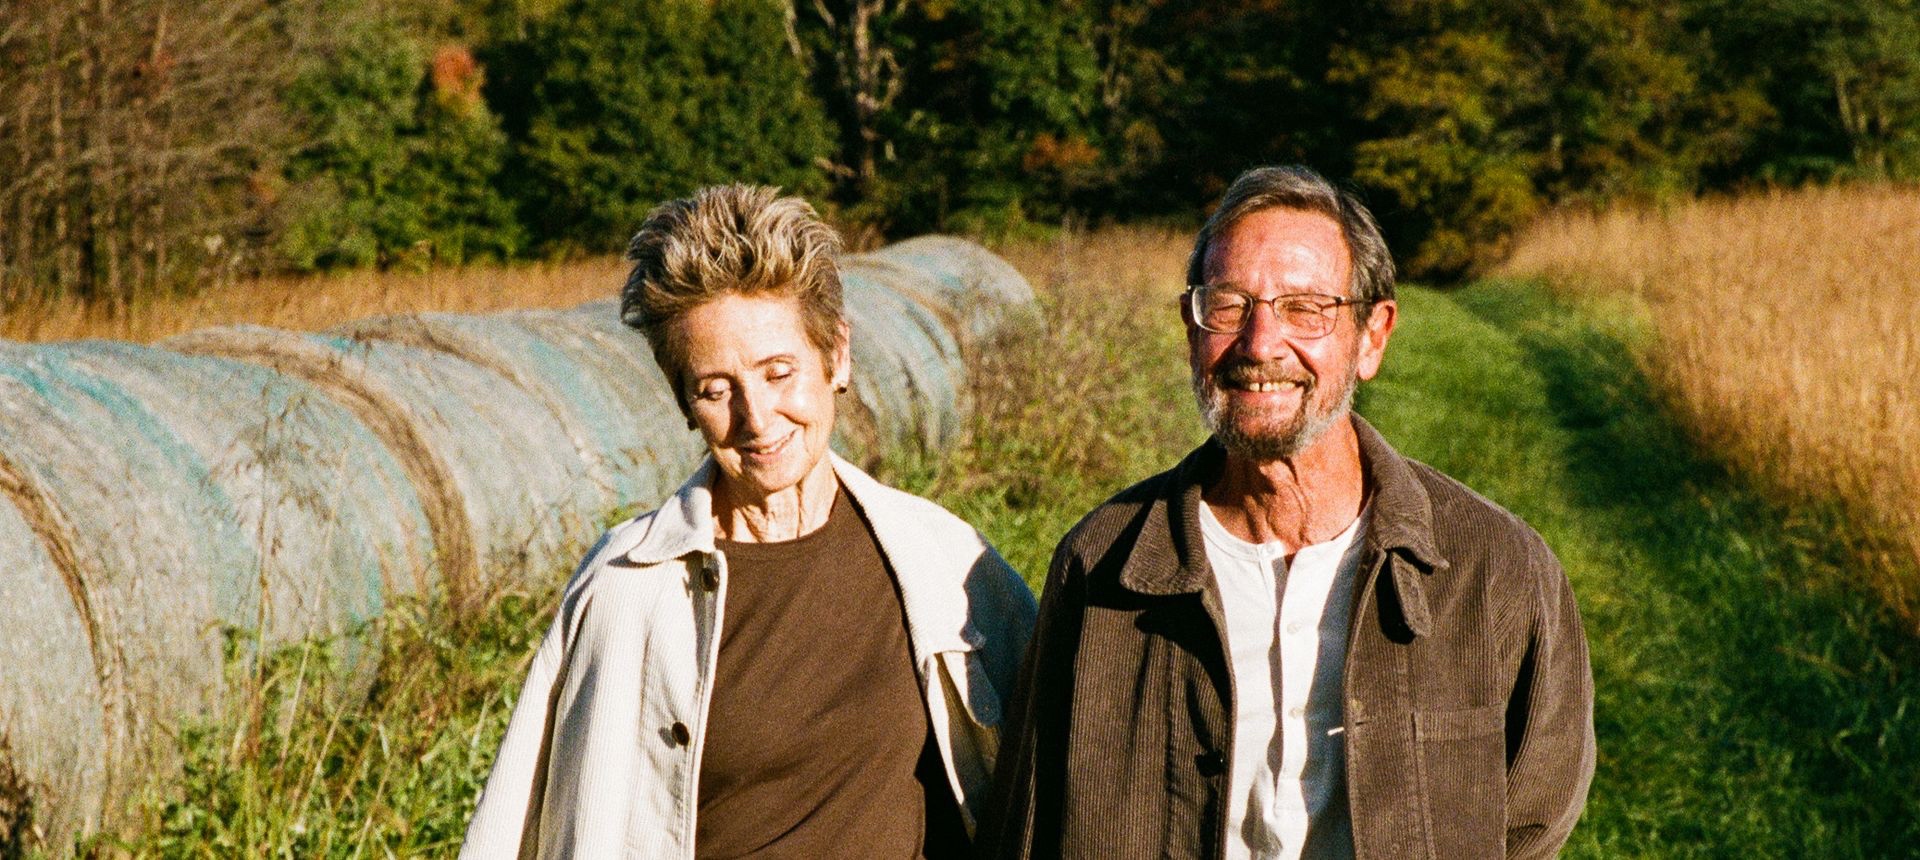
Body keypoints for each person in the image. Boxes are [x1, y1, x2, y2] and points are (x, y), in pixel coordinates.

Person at [979, 166, 1594, 859]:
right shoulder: (1103, 570)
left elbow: (1532, 824)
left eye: (1305, 307)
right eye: (1230, 304)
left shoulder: (1495, 571)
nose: (1260, 343)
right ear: (1192, 329)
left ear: (1372, 337)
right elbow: (1028, 827)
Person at [460, 185, 1036, 859]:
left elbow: (1052, 770)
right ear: (684, 401)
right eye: (715, 388)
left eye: (778, 372)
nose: (756, 416)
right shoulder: (626, 587)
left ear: (837, 357)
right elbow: (516, 828)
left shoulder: (944, 562)